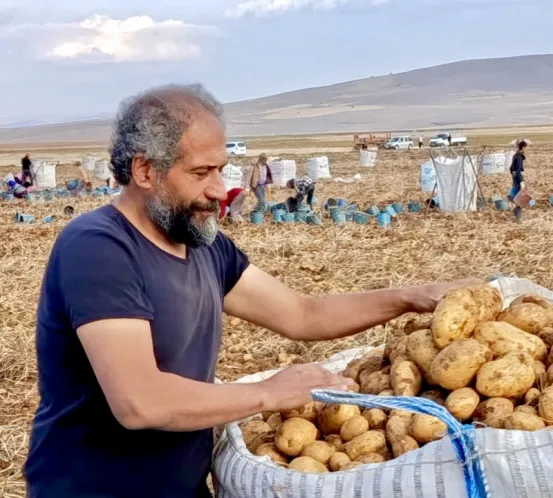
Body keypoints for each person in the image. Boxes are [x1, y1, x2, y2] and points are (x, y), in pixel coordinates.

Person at [24, 84, 477, 497]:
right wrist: (270, 392)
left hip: (180, 484)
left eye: (221, 169)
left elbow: (303, 315)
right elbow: (140, 402)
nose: (220, 190)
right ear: (145, 170)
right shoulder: (99, 248)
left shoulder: (205, 245)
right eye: (201, 172)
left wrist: (413, 295)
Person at [508, 139, 528, 221]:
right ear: (523, 148)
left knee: (518, 196)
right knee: (521, 197)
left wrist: (513, 177)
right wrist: (521, 182)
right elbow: (519, 170)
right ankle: (517, 217)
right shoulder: (519, 157)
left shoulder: (515, 156)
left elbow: (511, 168)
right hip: (519, 178)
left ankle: (516, 212)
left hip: (515, 177)